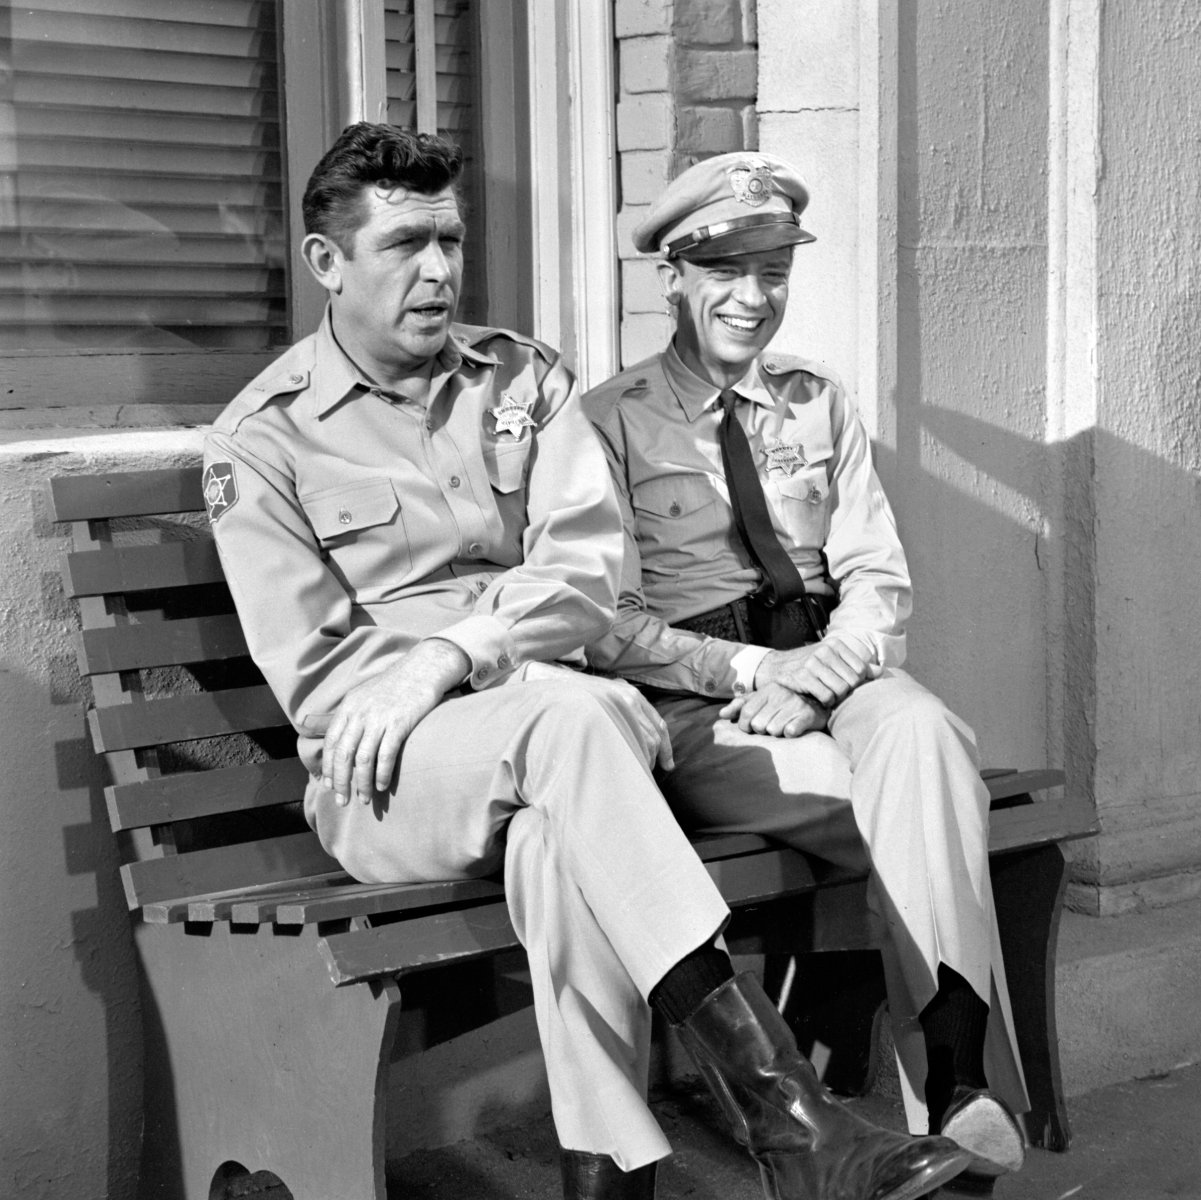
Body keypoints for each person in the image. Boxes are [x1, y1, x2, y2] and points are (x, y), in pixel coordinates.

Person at [203, 123, 970, 1200]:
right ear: (328, 264)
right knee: (575, 722)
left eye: (451, 242)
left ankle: (612, 1181)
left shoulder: (520, 379)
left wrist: (456, 650)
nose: (438, 270)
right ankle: (788, 1121)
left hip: (567, 745)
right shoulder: (266, 442)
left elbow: (586, 570)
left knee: (560, 838)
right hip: (390, 780)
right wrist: (455, 673)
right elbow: (330, 686)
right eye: (404, 247)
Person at [583, 152, 1030, 1196]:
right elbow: (605, 624)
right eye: (727, 270)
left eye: (774, 269)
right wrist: (751, 673)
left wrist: (818, 673)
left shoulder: (815, 402)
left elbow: (877, 577)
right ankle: (963, 1118)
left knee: (920, 738)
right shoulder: (605, 421)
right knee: (930, 800)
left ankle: (957, 1090)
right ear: (674, 277)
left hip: (830, 676)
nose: (753, 297)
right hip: (707, 711)